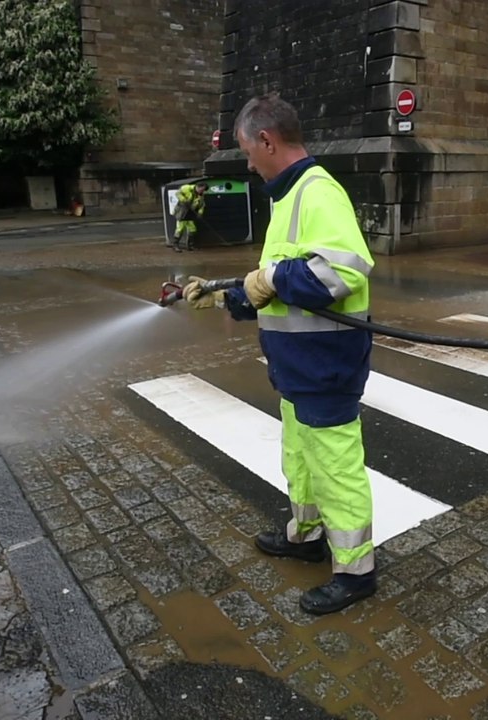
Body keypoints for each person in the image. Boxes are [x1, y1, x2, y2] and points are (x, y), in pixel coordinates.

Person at [182, 93, 377, 616]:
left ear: (268, 141)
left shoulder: (318, 192)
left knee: (335, 468)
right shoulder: (287, 196)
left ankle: (356, 572)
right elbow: (278, 285)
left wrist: (271, 278)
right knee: (301, 461)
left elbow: (345, 271)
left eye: (249, 150)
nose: (247, 162)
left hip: (325, 365)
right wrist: (228, 297)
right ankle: (307, 535)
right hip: (297, 366)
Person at [170, 182, 207, 252]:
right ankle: (175, 245)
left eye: (203, 190)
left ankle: (190, 245)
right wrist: (184, 200)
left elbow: (202, 205)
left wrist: (200, 213)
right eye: (201, 189)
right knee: (180, 229)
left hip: (191, 213)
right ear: (198, 187)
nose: (201, 191)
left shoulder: (201, 196)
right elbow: (178, 193)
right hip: (182, 212)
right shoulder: (187, 188)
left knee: (192, 229)